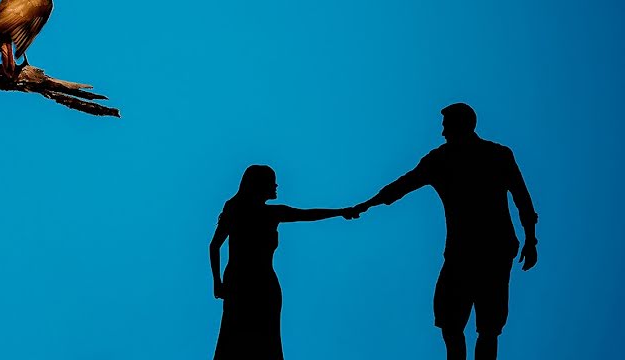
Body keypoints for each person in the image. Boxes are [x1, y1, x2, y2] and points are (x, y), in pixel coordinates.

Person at [351, 103, 538, 360]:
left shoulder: (484, 156)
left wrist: (531, 238)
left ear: (462, 124)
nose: (442, 133)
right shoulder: (445, 159)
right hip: (472, 251)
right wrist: (367, 204)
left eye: (446, 126)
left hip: (487, 251)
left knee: (485, 326)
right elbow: (400, 186)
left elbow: (522, 199)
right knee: (458, 324)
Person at [209, 165, 357, 360]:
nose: (276, 186)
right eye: (272, 182)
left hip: (257, 284)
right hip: (245, 284)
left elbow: (308, 214)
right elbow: (214, 246)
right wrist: (217, 282)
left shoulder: (267, 213)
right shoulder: (248, 211)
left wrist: (341, 212)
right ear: (260, 185)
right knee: (241, 336)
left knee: (259, 337)